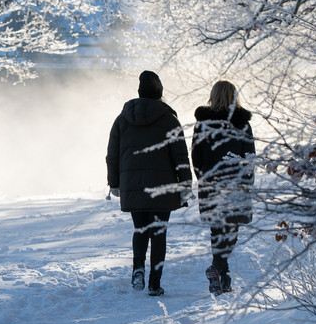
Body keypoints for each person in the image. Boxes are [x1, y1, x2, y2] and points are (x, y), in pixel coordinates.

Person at [106, 71, 193, 296]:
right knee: (159, 233)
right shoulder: (168, 119)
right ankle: (155, 283)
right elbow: (180, 156)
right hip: (162, 187)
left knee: (140, 229)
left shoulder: (122, 119)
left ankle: (137, 269)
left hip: (133, 185)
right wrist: (185, 184)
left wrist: (113, 183)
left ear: (139, 92)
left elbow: (112, 154)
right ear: (160, 92)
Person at [192, 80, 256, 296]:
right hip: (235, 182)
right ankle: (218, 268)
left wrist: (203, 177)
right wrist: (248, 179)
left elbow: (196, 155)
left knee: (217, 229)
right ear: (233, 96)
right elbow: (249, 155)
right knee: (231, 228)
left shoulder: (202, 123)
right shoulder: (242, 123)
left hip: (211, 182)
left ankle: (222, 276)